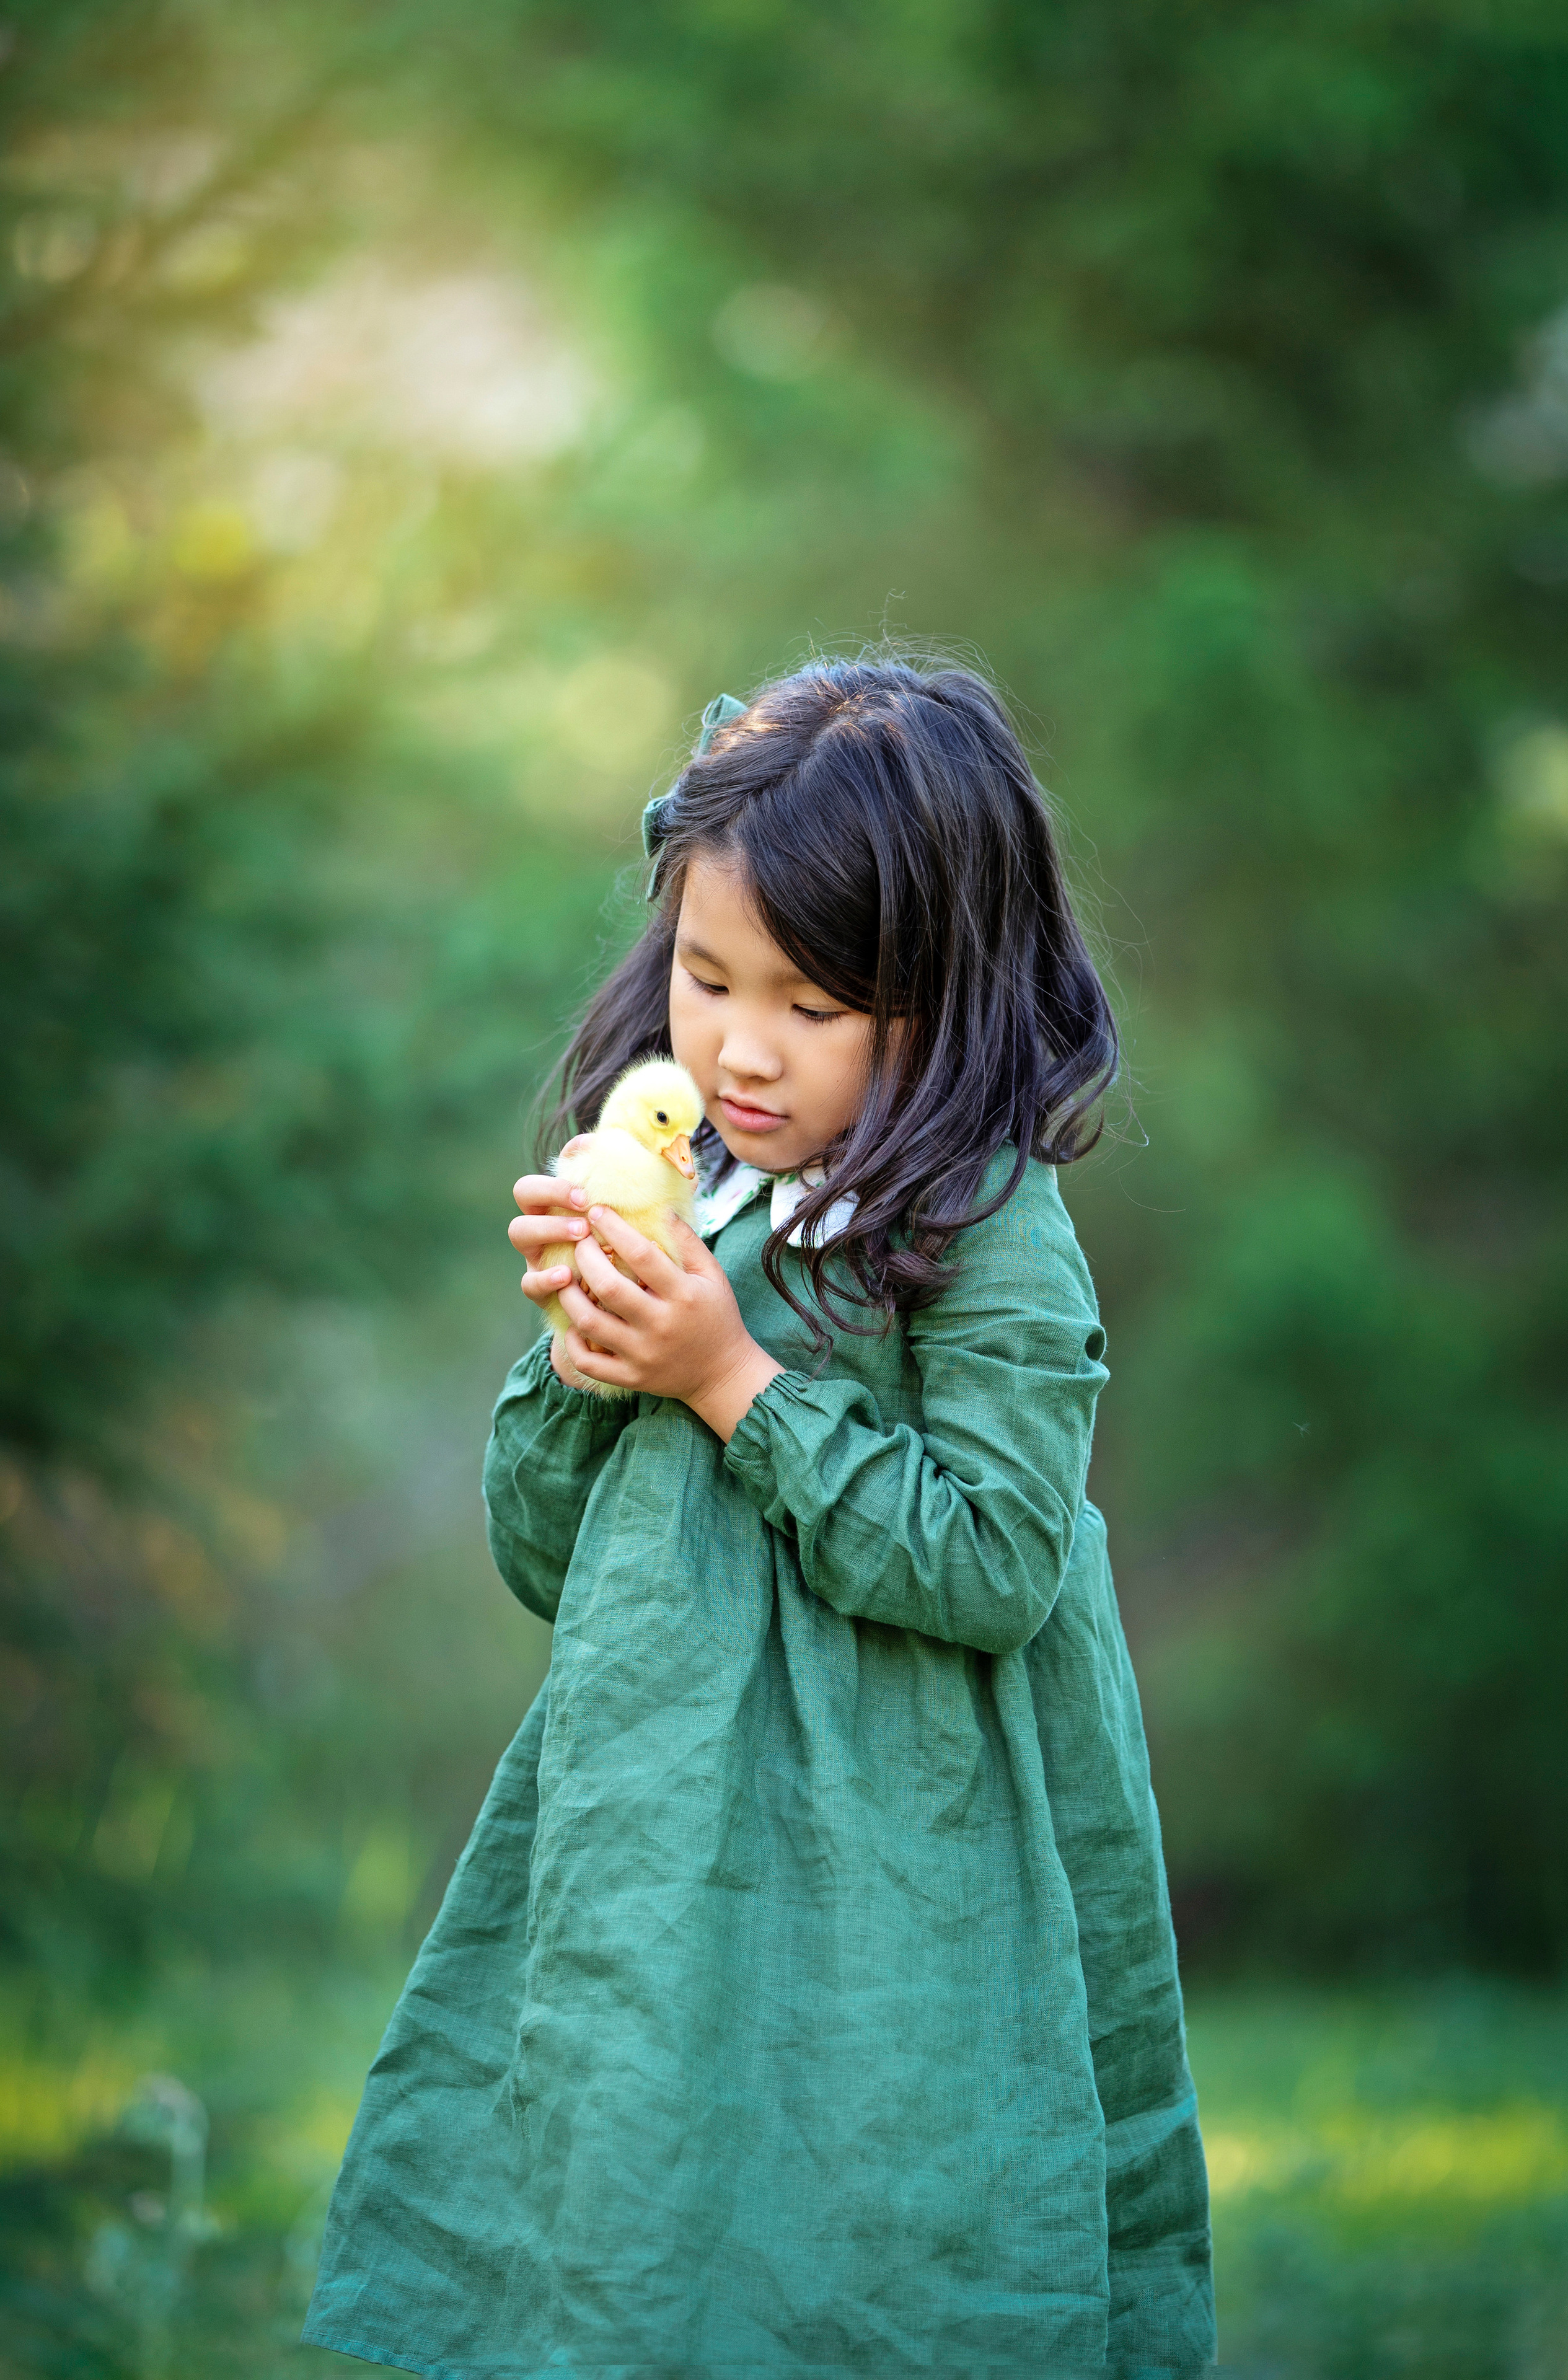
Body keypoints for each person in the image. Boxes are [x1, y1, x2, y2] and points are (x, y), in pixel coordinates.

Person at [304, 657, 1215, 2376]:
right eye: (706, 978)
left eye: (808, 1005)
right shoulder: (686, 1183)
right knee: (637, 2184)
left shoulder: (987, 1225)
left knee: (871, 2207)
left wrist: (735, 1384)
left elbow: (999, 1560)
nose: (734, 1043)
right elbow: (546, 1560)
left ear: (941, 998)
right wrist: (585, 1357)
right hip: (667, 1832)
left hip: (907, 1857)